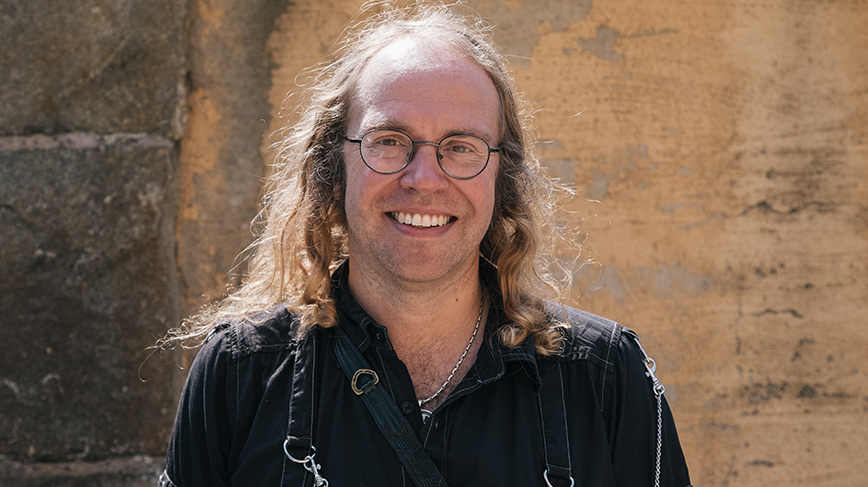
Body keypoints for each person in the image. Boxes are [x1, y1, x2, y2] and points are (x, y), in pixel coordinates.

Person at [158, 3, 691, 486]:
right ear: (334, 171)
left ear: (501, 181)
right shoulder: (239, 374)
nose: (424, 178)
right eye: (388, 141)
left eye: (461, 147)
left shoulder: (603, 377)